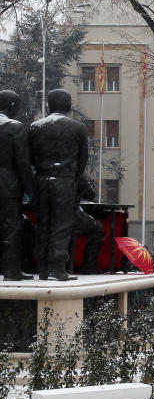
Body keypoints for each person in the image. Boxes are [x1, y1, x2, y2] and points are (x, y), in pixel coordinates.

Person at [28, 89, 87, 281]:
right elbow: (83, 159)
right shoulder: (77, 128)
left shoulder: (36, 127)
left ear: (49, 104)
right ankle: (58, 267)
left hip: (42, 179)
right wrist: (72, 178)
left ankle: (43, 267)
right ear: (68, 105)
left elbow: (29, 156)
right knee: (62, 224)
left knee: (43, 223)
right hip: (64, 179)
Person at [0, 90, 33, 280]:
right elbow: (23, 163)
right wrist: (31, 190)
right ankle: (11, 270)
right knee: (11, 227)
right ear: (11, 106)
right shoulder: (14, 127)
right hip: (7, 184)